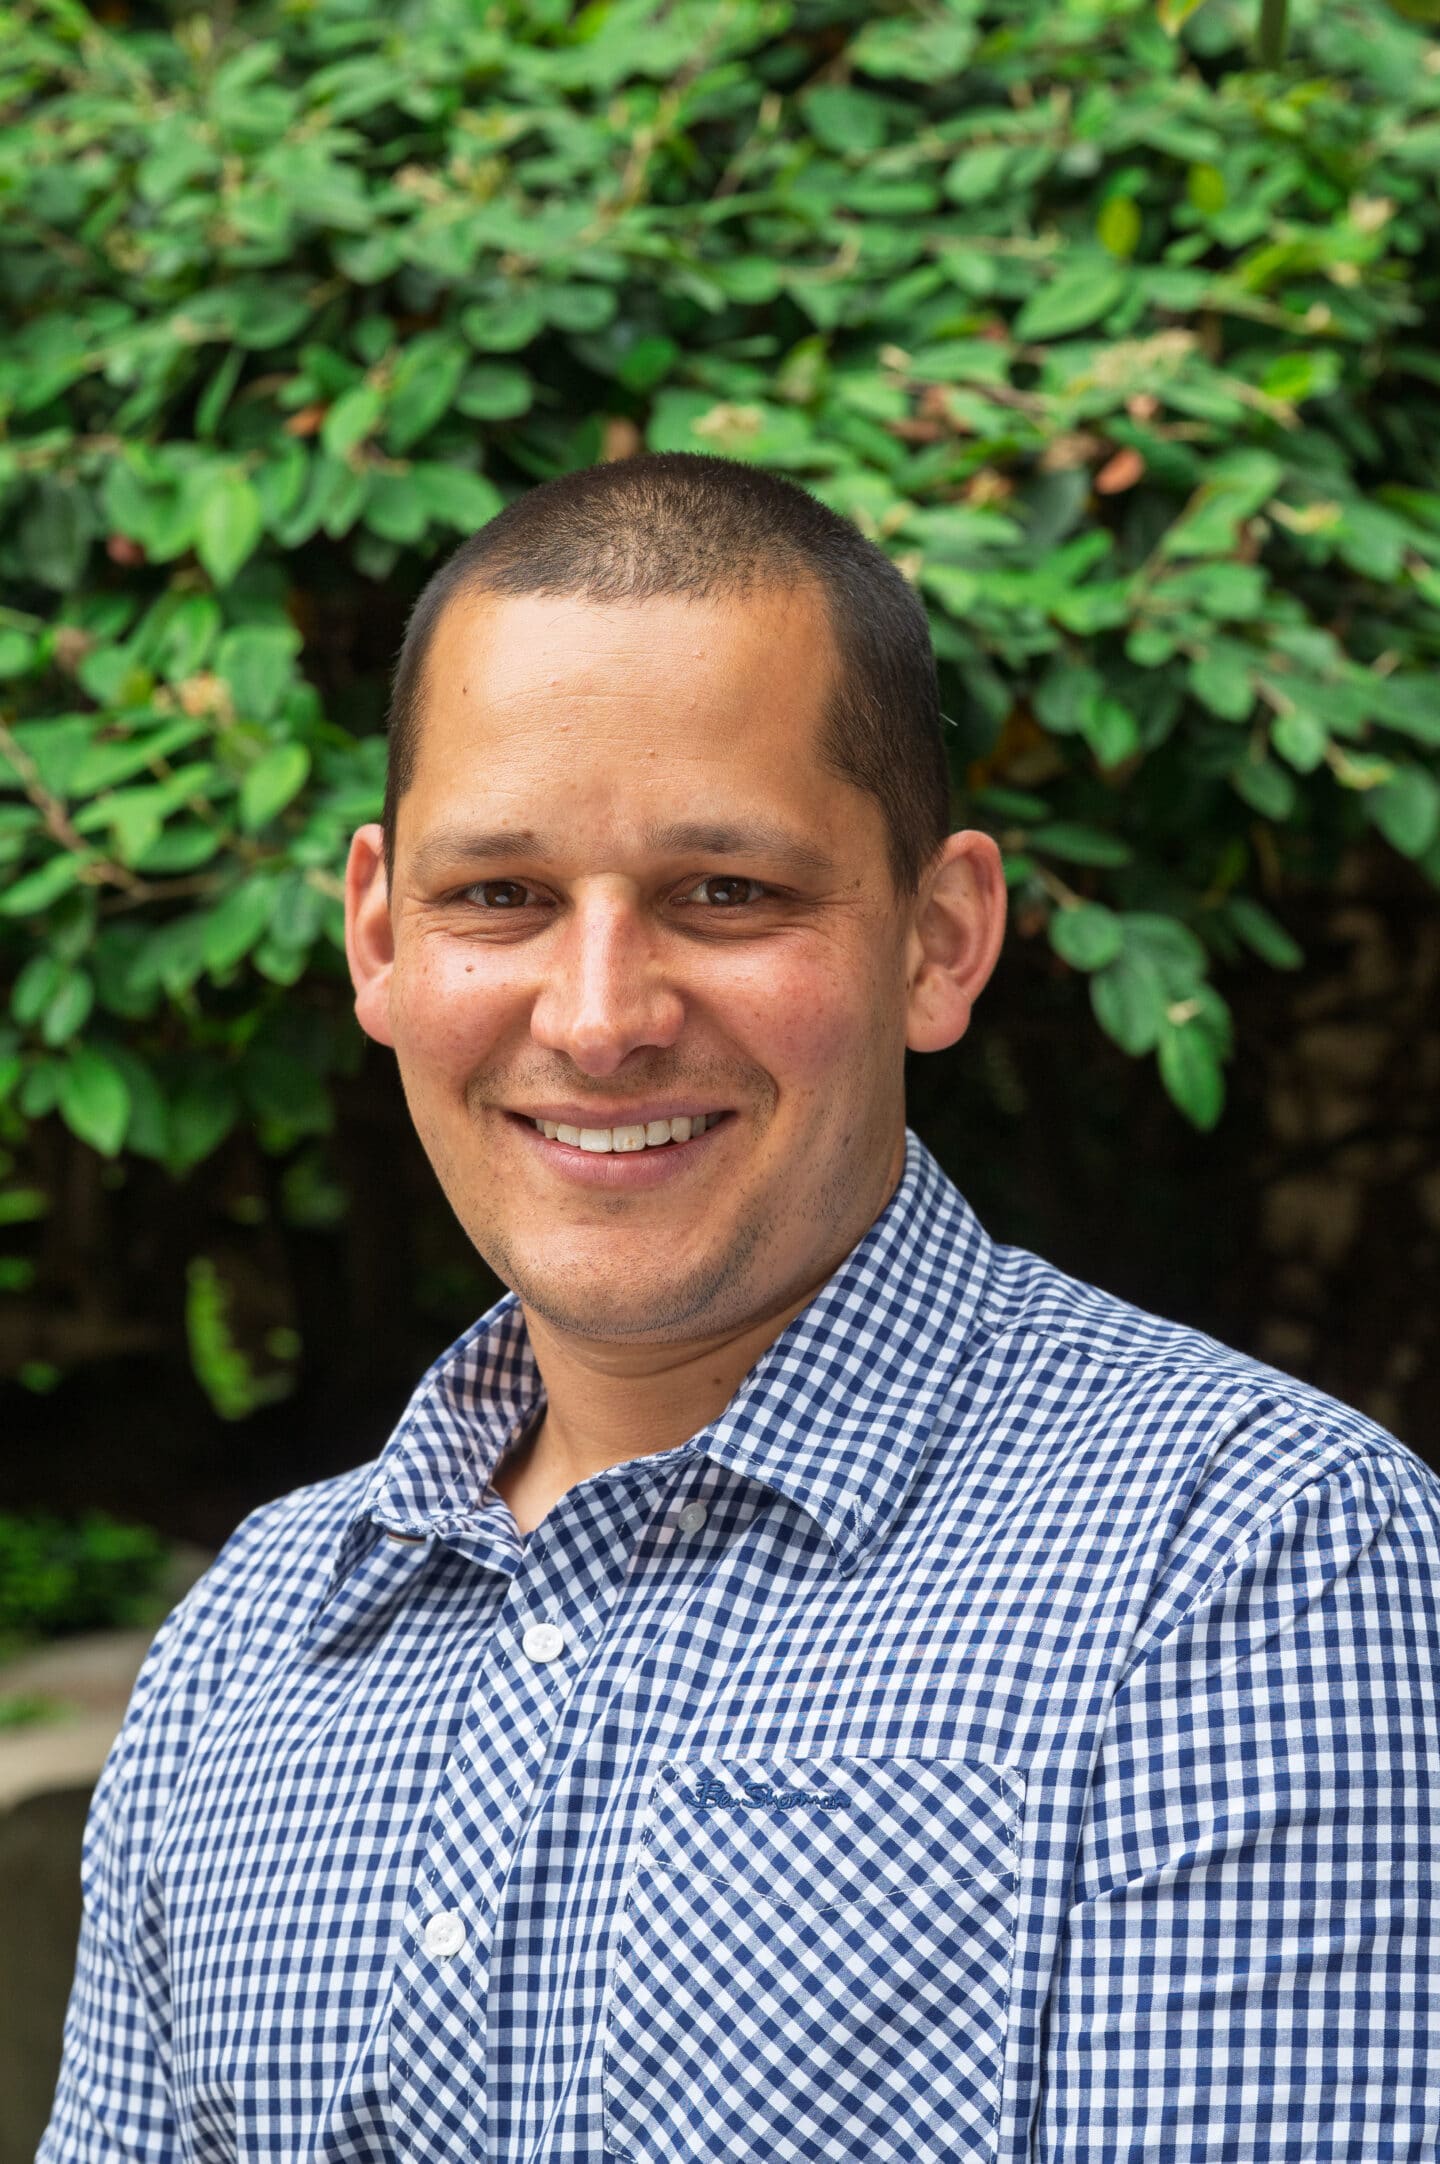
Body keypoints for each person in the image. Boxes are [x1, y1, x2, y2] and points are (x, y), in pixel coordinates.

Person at [42, 452, 1439, 2163]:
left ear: (939, 939)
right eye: (500, 896)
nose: (599, 1017)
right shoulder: (250, 1642)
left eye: (727, 894)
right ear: (382, 937)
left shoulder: (1251, 1561)